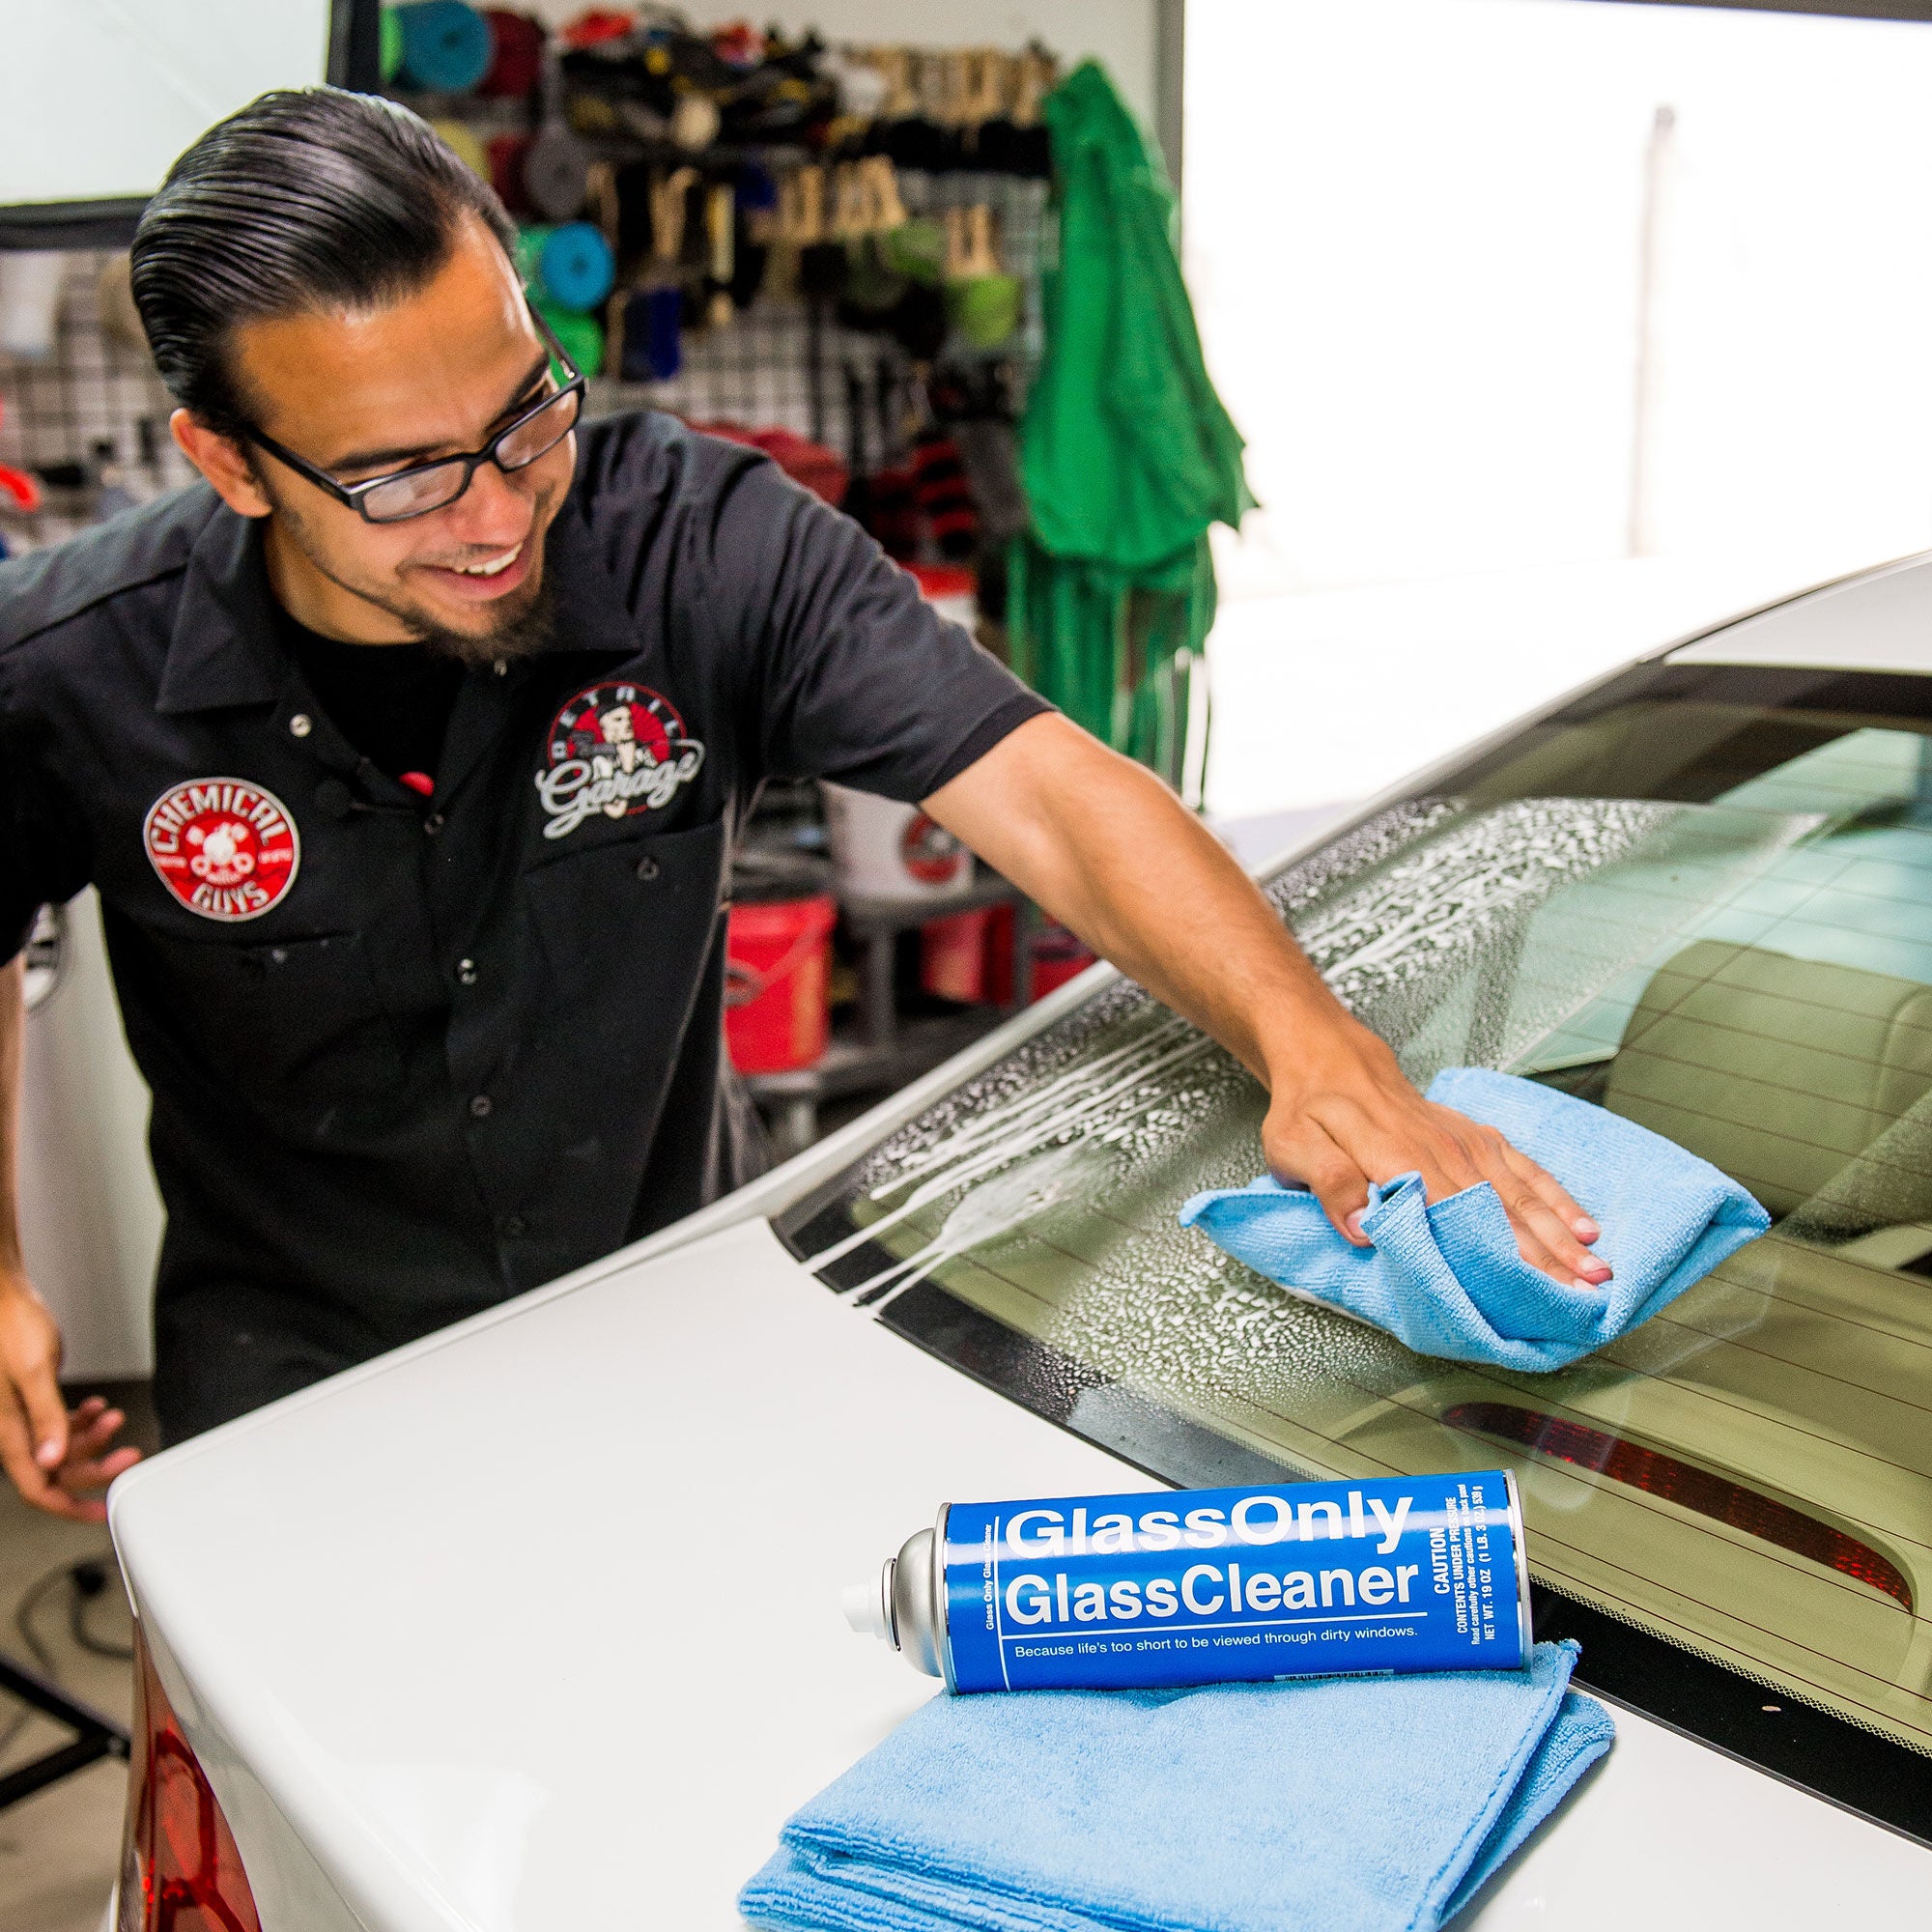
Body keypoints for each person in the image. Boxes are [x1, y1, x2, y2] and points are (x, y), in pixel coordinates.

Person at [0, 89, 1606, 1520]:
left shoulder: (705, 544)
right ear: (230, 461)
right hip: (298, 1410)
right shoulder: (66, 664)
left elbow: (1048, 791)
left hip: (677, 1342)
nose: (496, 517)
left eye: (524, 417)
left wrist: (1320, 1054)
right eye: (405, 476)